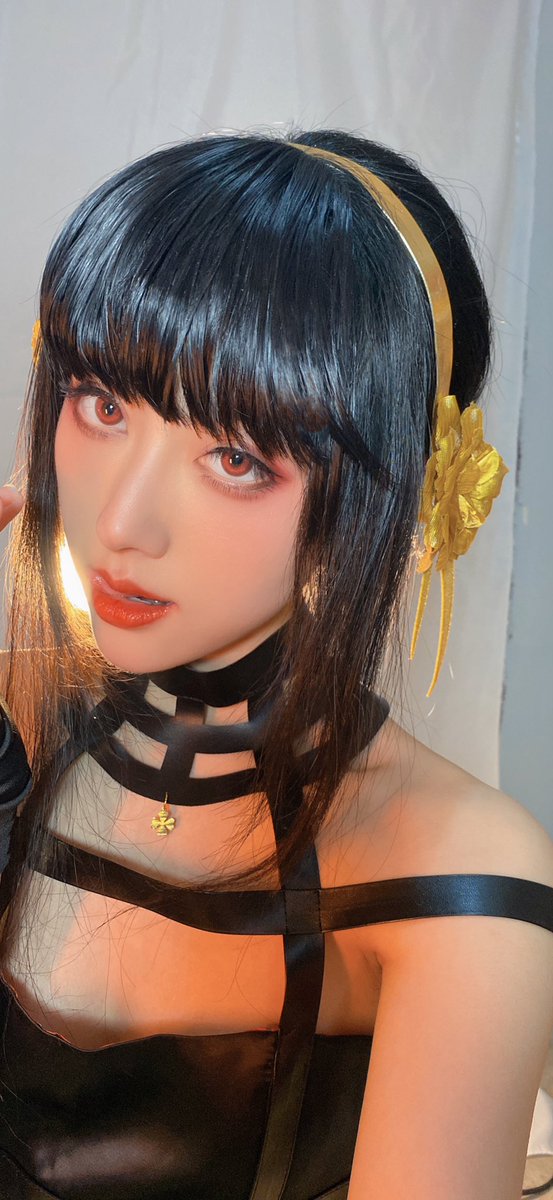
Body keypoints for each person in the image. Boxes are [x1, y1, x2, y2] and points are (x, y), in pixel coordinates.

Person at [0, 128, 551, 1200]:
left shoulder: (463, 873)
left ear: (388, 495)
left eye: (235, 456)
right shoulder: (25, 715)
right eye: (103, 404)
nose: (120, 522)